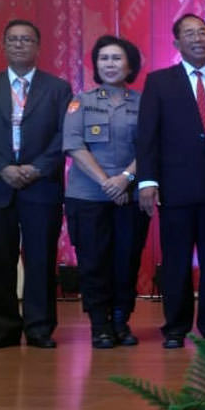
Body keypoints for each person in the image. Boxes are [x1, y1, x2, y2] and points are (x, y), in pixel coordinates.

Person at [0, 19, 73, 350]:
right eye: (13, 39)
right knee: (0, 261)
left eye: (26, 39)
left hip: (41, 187)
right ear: (4, 46)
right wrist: (2, 169)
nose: (19, 44)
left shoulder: (58, 88)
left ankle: (40, 328)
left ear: (38, 46)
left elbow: (65, 133)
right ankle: (4, 329)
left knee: (41, 260)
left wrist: (37, 168)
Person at [136, 13, 205, 348]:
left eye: (203, 32)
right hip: (175, 187)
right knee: (177, 260)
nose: (198, 38)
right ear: (176, 42)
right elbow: (147, 136)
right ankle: (176, 327)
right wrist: (147, 180)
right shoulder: (159, 82)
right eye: (190, 33)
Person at [63, 35, 151, 349]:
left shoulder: (143, 102)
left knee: (126, 261)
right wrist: (107, 182)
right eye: (104, 58)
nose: (110, 64)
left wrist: (125, 178)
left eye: (116, 58)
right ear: (96, 65)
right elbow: (74, 145)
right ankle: (99, 324)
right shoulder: (80, 101)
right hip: (88, 197)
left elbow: (150, 146)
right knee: (94, 262)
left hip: (130, 196)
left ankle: (121, 321)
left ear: (129, 65)